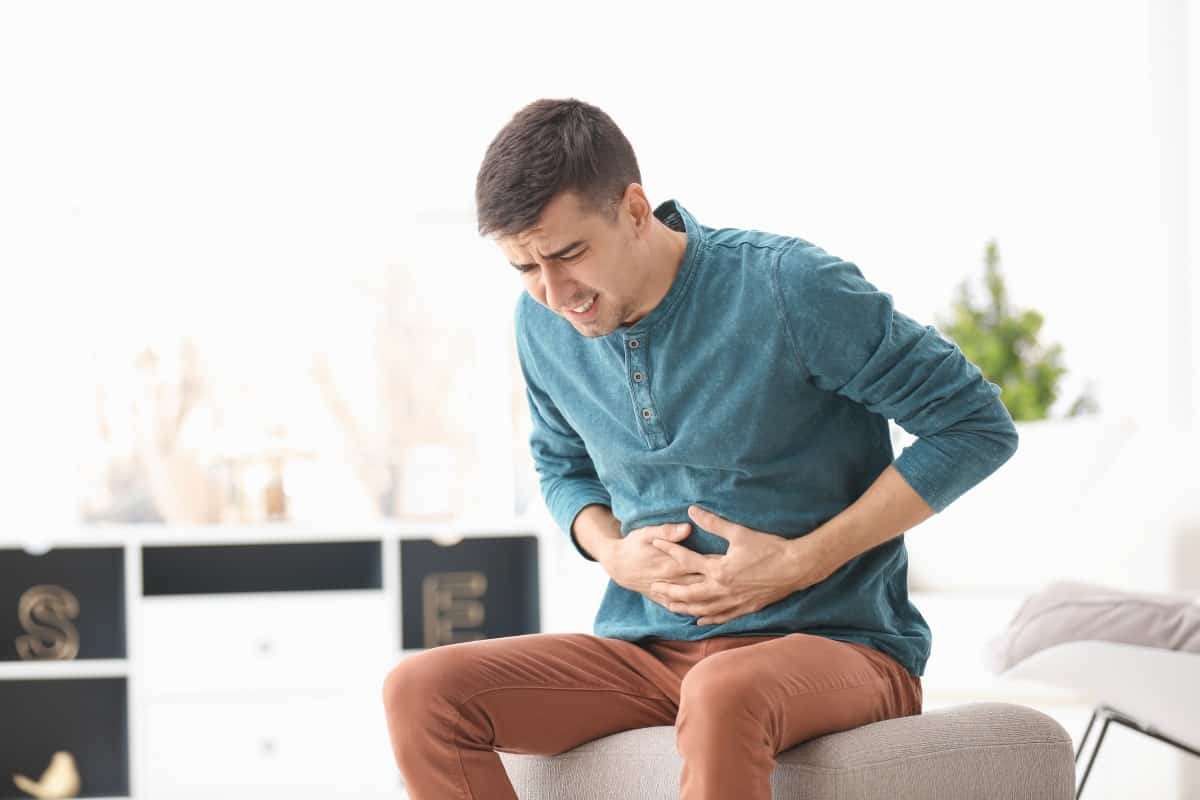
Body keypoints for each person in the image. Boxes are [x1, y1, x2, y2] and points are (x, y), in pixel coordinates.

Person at [381, 97, 1020, 800]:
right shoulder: (543, 325)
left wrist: (801, 561)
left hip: (839, 644)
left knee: (722, 689)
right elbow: (562, 464)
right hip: (645, 651)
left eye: (568, 254)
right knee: (421, 689)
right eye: (525, 268)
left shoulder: (787, 287)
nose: (556, 293)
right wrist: (613, 550)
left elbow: (973, 423)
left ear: (632, 210)